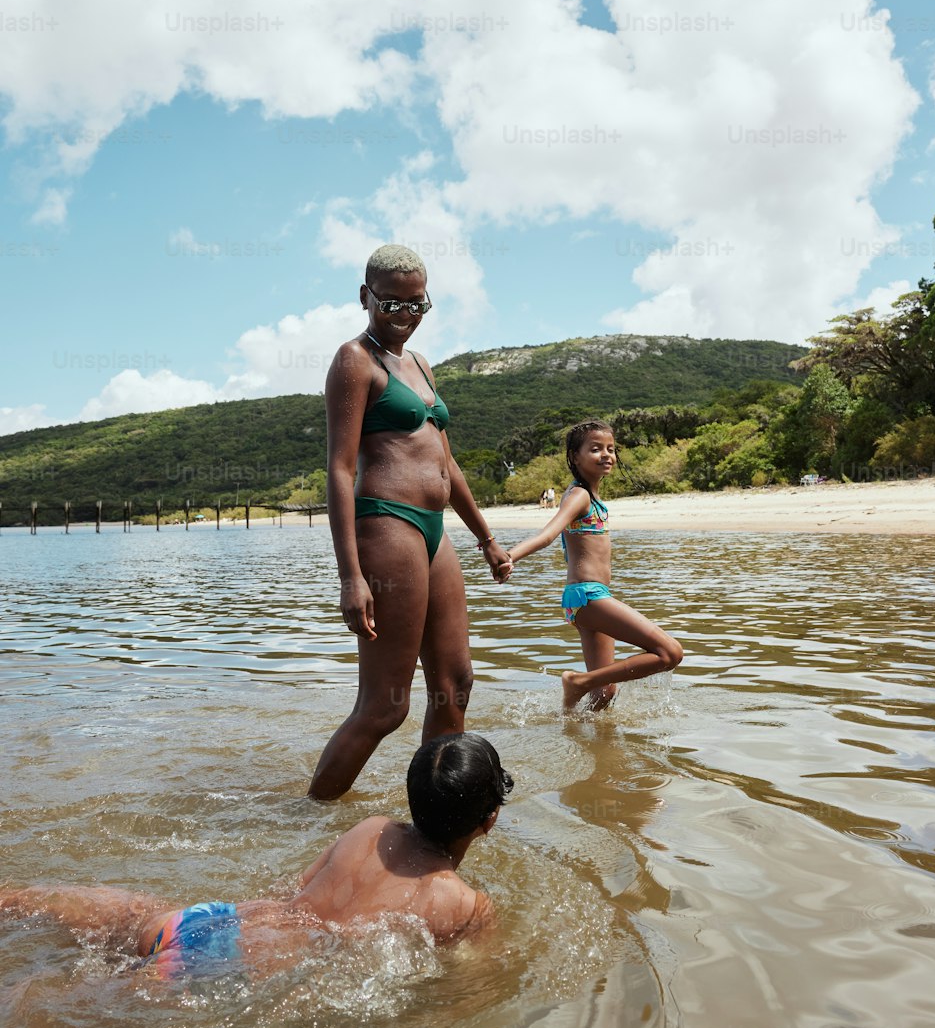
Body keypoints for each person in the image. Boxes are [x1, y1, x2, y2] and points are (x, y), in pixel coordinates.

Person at [0, 734, 512, 971]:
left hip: (216, 921)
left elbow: (290, 889)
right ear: (489, 819)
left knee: (118, 915)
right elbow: (465, 988)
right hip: (238, 968)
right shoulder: (465, 903)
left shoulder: (372, 828)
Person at [308, 245, 511, 800]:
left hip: (435, 527)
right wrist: (350, 576)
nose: (405, 313)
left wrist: (487, 538)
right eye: (391, 301)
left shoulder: (420, 365)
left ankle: (439, 820)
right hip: (387, 524)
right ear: (365, 297)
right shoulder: (354, 359)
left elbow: (447, 462)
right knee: (384, 707)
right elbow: (340, 468)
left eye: (417, 302)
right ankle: (308, 818)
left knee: (455, 685)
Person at [505, 420, 683, 711]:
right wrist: (511, 556)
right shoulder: (579, 496)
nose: (607, 455)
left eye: (611, 449)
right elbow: (548, 534)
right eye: (596, 449)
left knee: (604, 695)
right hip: (588, 597)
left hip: (587, 598)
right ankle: (578, 682)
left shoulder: (592, 497)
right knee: (669, 653)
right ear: (575, 457)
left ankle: (580, 735)